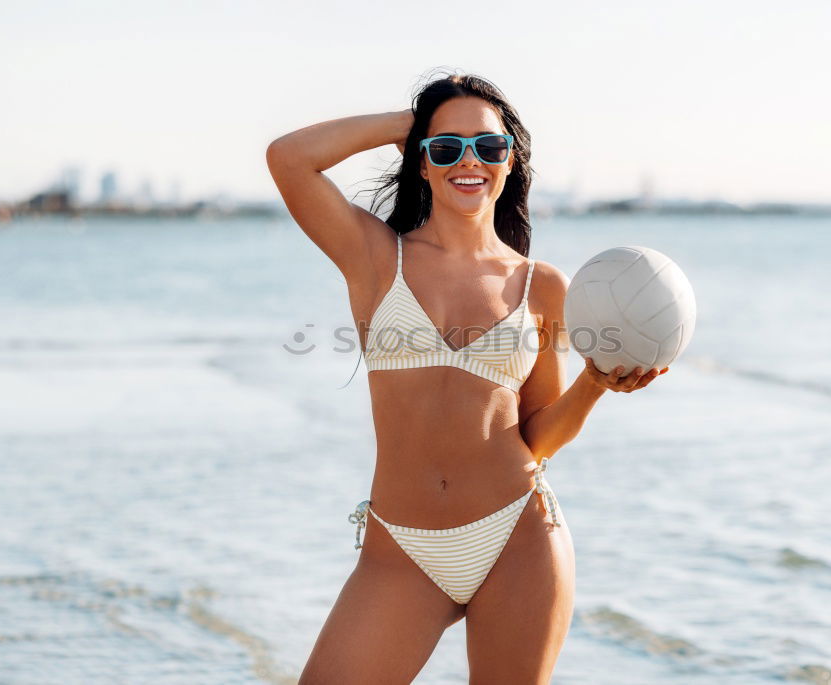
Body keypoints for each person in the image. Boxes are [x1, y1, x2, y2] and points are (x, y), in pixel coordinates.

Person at [266, 71, 667, 684]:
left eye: (488, 146)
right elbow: (289, 159)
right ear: (422, 163)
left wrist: (595, 383)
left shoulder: (544, 286)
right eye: (446, 147)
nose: (468, 161)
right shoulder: (376, 258)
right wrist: (410, 123)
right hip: (400, 552)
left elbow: (537, 439)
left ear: (510, 161)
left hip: (519, 535)